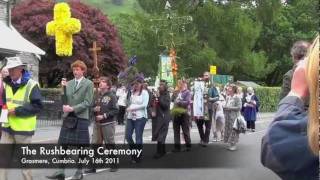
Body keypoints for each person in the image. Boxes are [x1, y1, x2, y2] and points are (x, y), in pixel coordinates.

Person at [261, 35, 319, 180]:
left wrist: (295, 95)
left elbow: (271, 142)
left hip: (301, 119)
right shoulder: (294, 73)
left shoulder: (291, 74)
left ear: (293, 56)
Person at [47, 60, 94, 180]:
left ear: (83, 70)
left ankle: (79, 171)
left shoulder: (89, 83)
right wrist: (62, 90)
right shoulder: (69, 83)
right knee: (62, 145)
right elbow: (65, 99)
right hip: (69, 118)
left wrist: (73, 108)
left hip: (81, 117)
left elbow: (88, 102)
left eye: (77, 69)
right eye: (74, 70)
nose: (75, 72)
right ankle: (60, 171)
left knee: (81, 147)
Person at [0, 56, 43, 180]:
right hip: (7, 128)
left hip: (23, 131)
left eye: (13, 69)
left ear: (20, 69)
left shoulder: (32, 85)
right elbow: (4, 105)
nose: (11, 72)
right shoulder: (6, 83)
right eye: (9, 69)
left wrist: (17, 111)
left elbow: (37, 106)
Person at [85, 76, 118, 173]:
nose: (100, 83)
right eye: (100, 82)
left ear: (108, 85)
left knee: (109, 144)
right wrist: (94, 110)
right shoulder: (97, 95)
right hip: (97, 124)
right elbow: (90, 108)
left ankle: (114, 164)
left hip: (108, 124)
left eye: (103, 82)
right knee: (95, 144)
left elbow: (116, 110)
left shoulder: (112, 96)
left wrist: (104, 115)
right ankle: (93, 166)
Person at [125, 77, 149, 163]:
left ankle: (138, 155)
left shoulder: (144, 93)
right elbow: (128, 103)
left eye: (138, 84)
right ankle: (133, 152)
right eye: (135, 84)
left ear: (141, 84)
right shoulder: (132, 92)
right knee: (128, 136)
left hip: (140, 117)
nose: (136, 85)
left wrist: (133, 108)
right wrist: (128, 107)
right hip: (131, 117)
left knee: (138, 137)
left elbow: (144, 105)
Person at [151, 80, 171, 159]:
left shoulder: (167, 95)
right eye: (160, 85)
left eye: (162, 85)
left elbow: (165, 106)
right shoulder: (156, 94)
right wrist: (152, 111)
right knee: (158, 134)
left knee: (161, 135)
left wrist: (159, 97)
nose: (160, 86)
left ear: (165, 86)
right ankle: (163, 151)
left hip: (164, 117)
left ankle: (159, 152)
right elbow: (151, 104)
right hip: (157, 117)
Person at [172, 80, 192, 152]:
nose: (181, 85)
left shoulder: (187, 92)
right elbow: (172, 100)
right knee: (176, 131)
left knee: (185, 130)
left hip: (184, 114)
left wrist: (179, 102)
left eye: (182, 84)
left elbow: (187, 102)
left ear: (185, 85)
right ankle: (177, 147)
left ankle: (188, 146)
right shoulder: (176, 92)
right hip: (176, 113)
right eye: (179, 84)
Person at [223, 84, 242, 151]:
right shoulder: (228, 97)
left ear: (233, 90)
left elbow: (239, 107)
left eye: (230, 88)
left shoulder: (237, 97)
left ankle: (233, 144)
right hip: (228, 116)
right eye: (228, 87)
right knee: (228, 129)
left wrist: (229, 108)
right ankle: (230, 143)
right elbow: (226, 105)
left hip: (234, 116)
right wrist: (224, 107)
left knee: (234, 130)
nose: (228, 88)